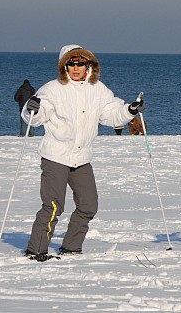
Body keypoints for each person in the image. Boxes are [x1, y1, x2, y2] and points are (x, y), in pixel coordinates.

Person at [21, 44, 144, 261]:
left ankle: (71, 247)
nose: (76, 68)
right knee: (53, 206)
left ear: (89, 65)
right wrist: (33, 108)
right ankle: (36, 250)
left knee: (88, 205)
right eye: (71, 63)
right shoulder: (52, 89)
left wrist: (129, 110)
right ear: (64, 66)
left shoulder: (97, 89)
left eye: (80, 63)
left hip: (82, 157)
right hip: (56, 156)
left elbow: (111, 113)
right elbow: (38, 115)